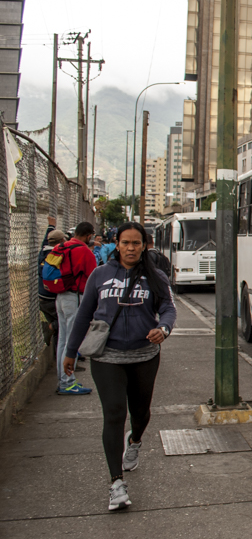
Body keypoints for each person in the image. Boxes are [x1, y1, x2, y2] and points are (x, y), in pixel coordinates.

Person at [64, 221, 176, 512]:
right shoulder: (100, 275)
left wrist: (163, 328)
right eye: (125, 243)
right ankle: (116, 484)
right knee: (114, 413)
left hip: (144, 356)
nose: (130, 248)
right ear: (117, 244)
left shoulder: (156, 276)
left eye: (136, 243)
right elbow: (83, 315)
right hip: (107, 357)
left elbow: (168, 308)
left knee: (140, 414)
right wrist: (70, 352)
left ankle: (135, 440)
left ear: (144, 245)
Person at [55, 221, 98, 395]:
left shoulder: (60, 247)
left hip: (60, 296)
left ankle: (62, 379)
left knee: (63, 340)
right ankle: (67, 382)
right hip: (75, 297)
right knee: (72, 341)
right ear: (88, 236)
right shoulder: (85, 252)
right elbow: (94, 278)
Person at [37, 217, 65, 347]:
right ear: (60, 242)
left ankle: (51, 329)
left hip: (42, 296)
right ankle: (50, 328)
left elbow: (46, 241)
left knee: (59, 326)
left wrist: (51, 226)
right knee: (63, 322)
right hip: (51, 297)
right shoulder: (57, 255)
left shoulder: (43, 251)